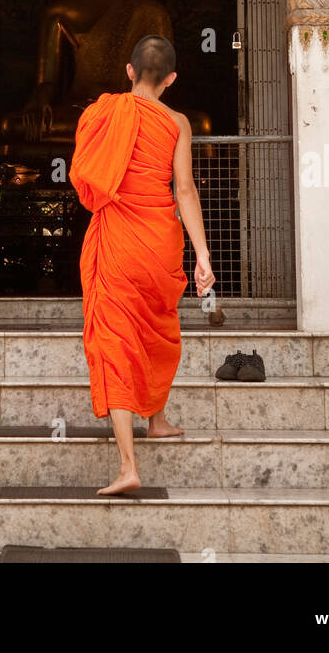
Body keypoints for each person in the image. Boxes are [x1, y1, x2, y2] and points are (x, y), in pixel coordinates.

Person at [69, 33, 215, 496]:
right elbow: (185, 190)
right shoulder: (177, 122)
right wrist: (203, 254)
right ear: (170, 78)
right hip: (159, 244)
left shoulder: (103, 111)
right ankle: (159, 419)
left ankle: (128, 465)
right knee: (155, 327)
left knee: (116, 341)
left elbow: (87, 175)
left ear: (129, 71)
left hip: (117, 240)